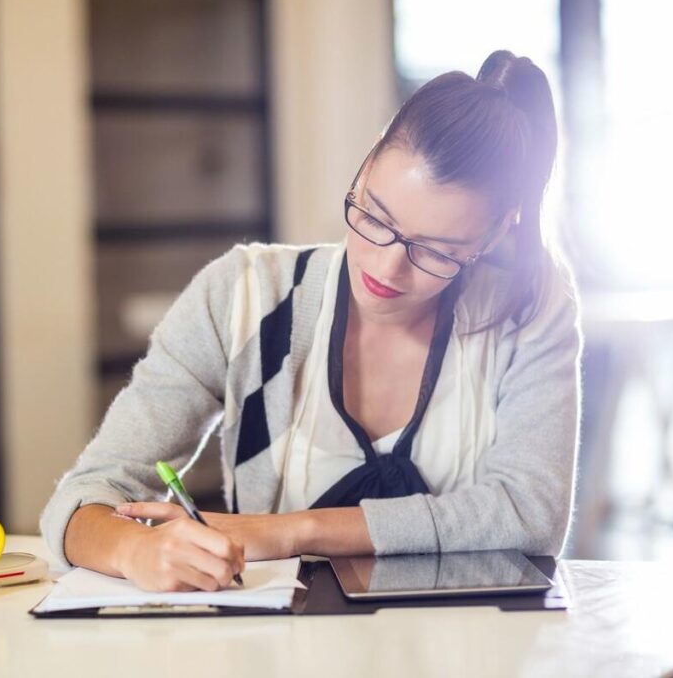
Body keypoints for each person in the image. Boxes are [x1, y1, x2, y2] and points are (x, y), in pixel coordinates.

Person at [41, 50, 582, 593]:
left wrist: (291, 531)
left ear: (492, 237)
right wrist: (137, 550)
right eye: (375, 217)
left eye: (436, 252)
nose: (386, 266)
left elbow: (531, 513)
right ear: (368, 162)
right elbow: (83, 499)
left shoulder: (529, 306)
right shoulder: (244, 296)